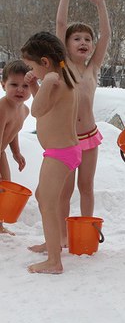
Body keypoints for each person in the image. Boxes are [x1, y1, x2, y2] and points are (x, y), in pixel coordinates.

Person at [52, 0, 110, 251]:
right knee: (65, 190)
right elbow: (61, 24)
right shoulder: (63, 65)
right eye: (77, 38)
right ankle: (62, 234)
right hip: (67, 139)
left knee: (86, 187)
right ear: (67, 44)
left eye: (88, 38)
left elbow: (106, 35)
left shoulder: (92, 68)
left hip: (89, 137)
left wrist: (101, 4)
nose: (84, 42)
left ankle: (88, 229)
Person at [21, 31, 80, 274]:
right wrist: (36, 84)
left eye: (31, 66)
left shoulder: (54, 80)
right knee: (44, 196)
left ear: (44, 62)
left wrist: (42, 83)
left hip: (60, 153)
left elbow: (35, 110)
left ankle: (54, 261)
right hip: (65, 151)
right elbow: (45, 107)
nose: (31, 71)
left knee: (47, 202)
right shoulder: (61, 79)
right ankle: (52, 242)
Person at [0, 61, 31, 236]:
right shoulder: (2, 107)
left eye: (25, 86)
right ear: (3, 84)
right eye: (14, 85)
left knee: (5, 185)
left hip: (1, 151)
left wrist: (16, 152)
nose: (20, 90)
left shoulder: (24, 110)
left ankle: (0, 225)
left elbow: (14, 130)